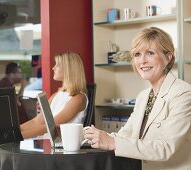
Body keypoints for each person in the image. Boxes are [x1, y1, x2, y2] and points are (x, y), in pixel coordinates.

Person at [84, 27, 191, 170]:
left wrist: (112, 142)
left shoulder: (183, 93)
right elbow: (125, 135)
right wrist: (96, 137)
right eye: (137, 54)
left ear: (168, 57)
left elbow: (165, 147)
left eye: (150, 53)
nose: (142, 61)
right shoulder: (143, 96)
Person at [20, 52, 88, 139]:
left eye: (58, 65)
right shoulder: (56, 95)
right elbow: (37, 121)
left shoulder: (78, 98)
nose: (53, 68)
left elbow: (51, 126)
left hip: (63, 146)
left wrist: (19, 136)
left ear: (68, 69)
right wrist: (15, 130)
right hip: (47, 142)